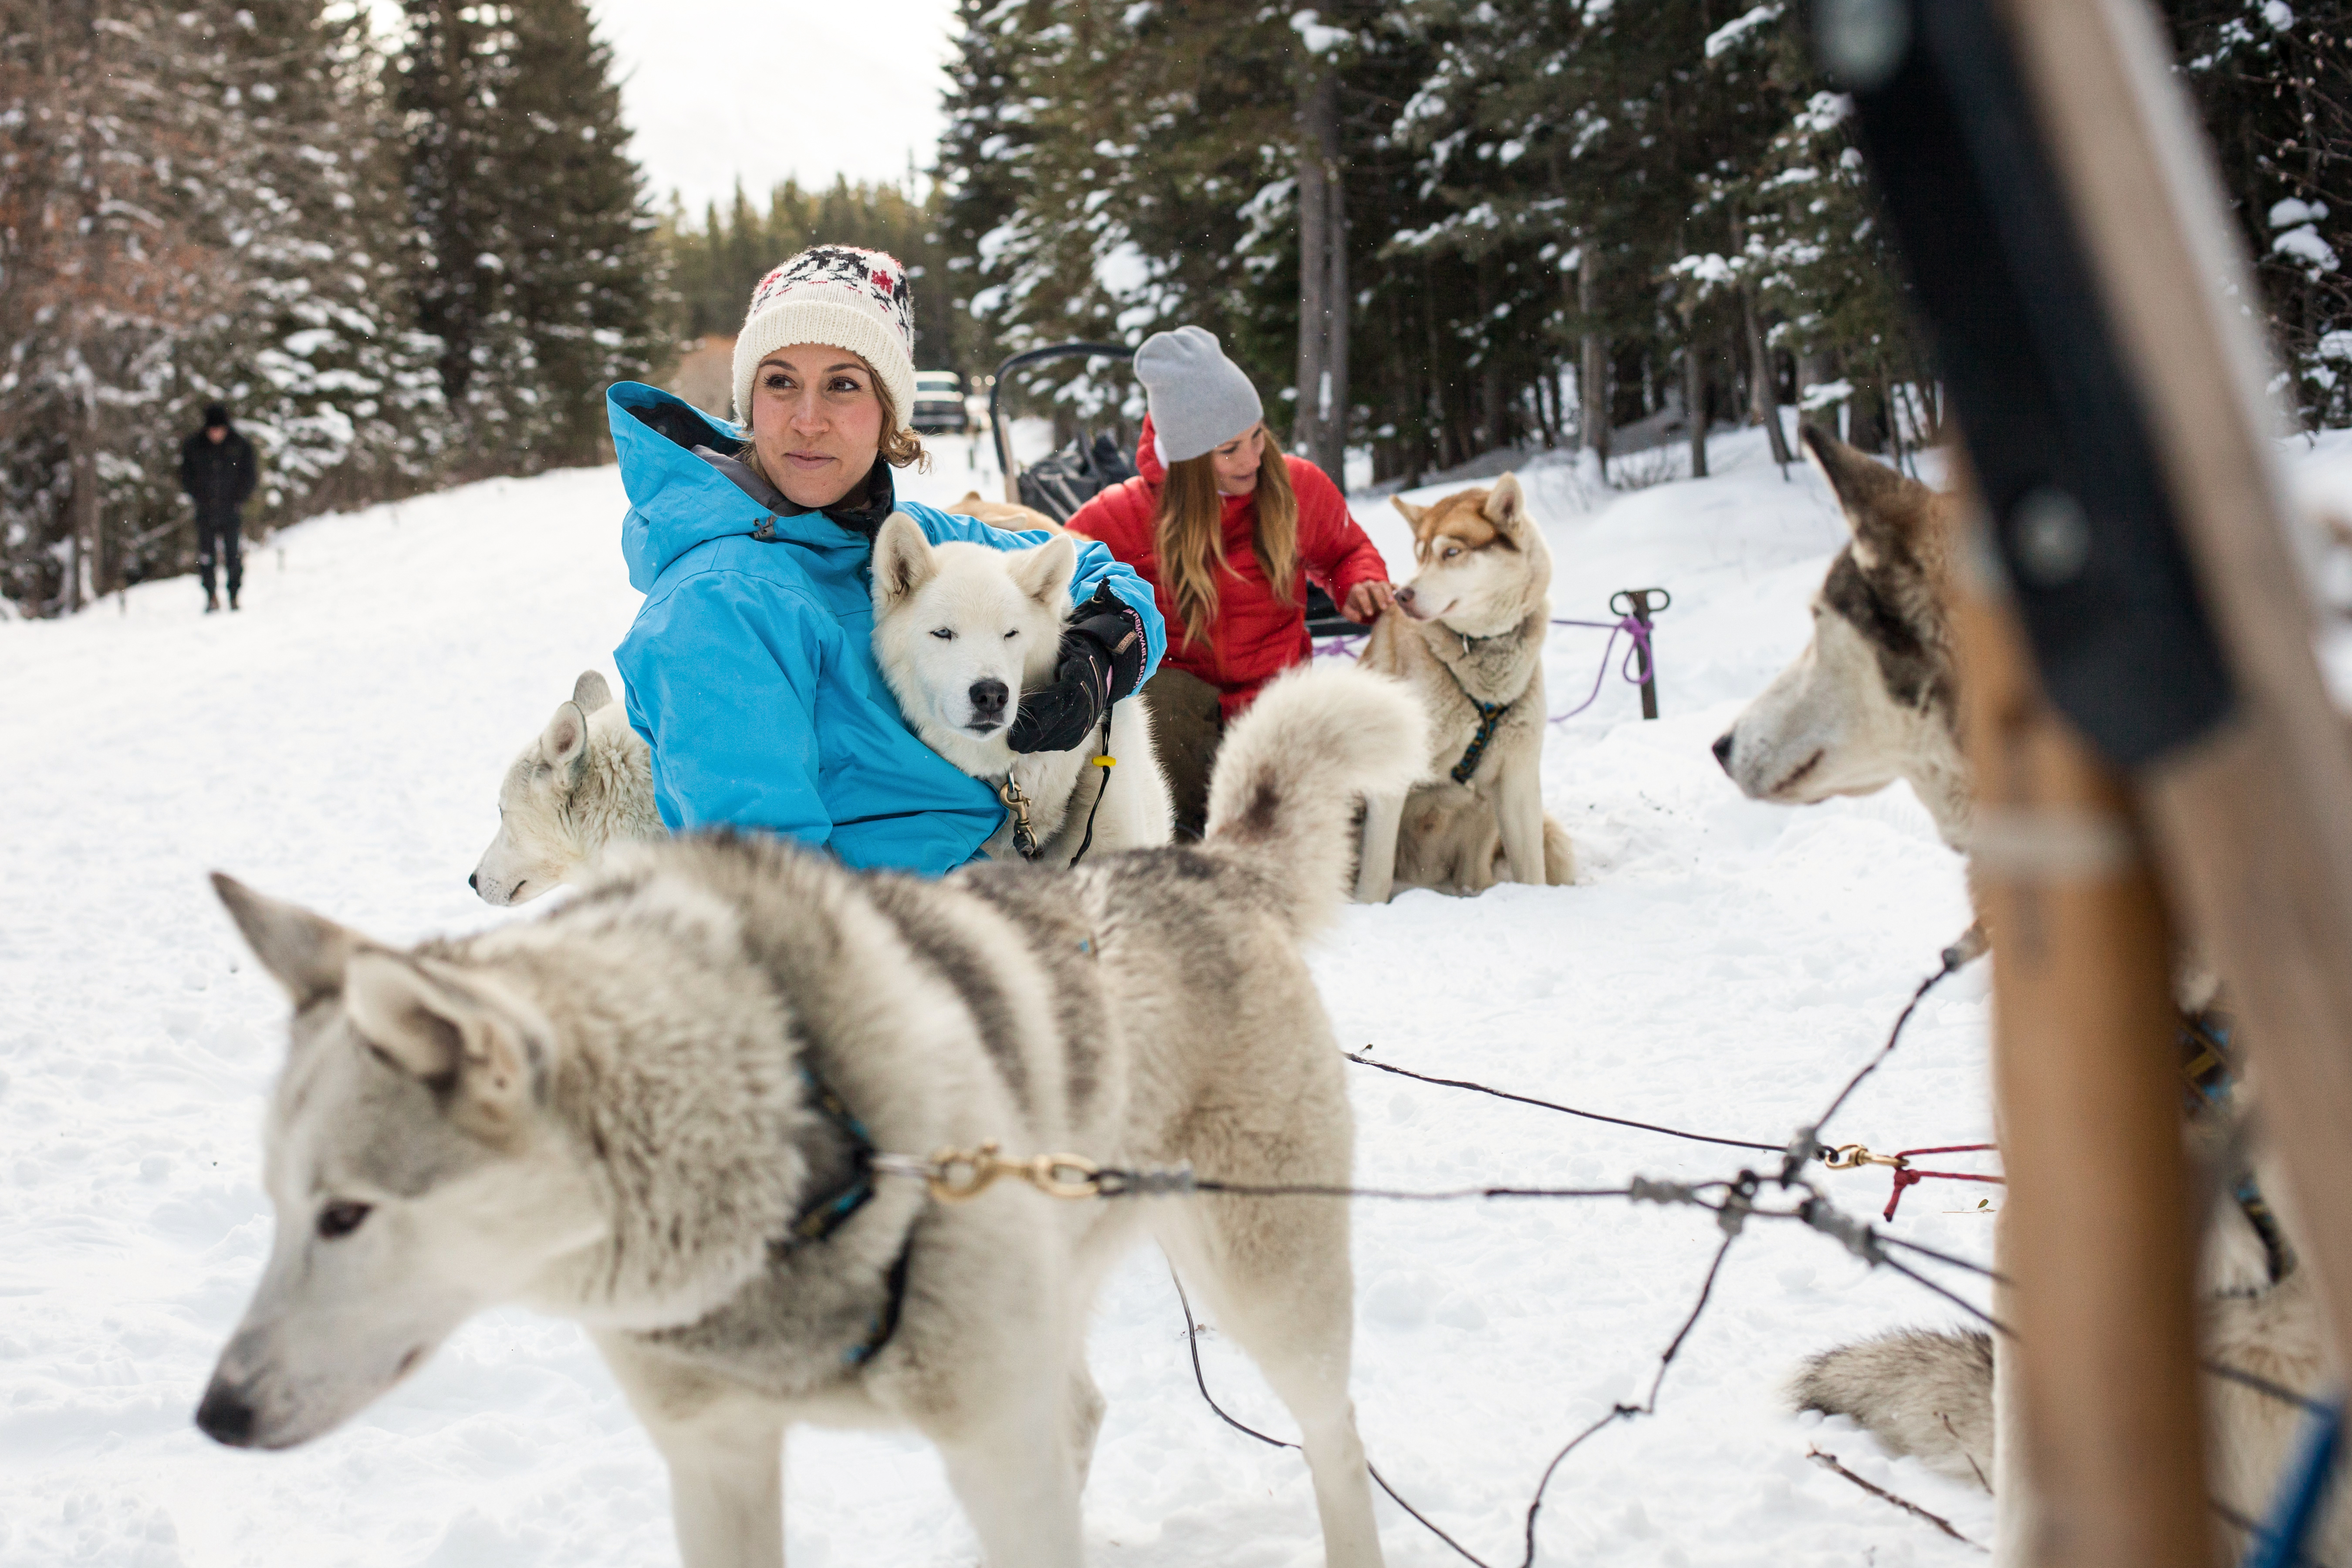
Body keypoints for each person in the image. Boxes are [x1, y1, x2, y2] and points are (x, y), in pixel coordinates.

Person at [611, 245, 1165, 875]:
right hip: (903, 939)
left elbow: (1103, 572)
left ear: (889, 415)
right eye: (780, 382)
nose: (808, 420)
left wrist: (1099, 650)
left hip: (999, 887)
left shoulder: (906, 540)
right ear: (751, 405)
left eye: (843, 385)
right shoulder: (719, 606)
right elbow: (772, 895)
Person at [1064, 325, 1392, 839]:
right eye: (1230, 448)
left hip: (1278, 707)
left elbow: (1346, 551)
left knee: (1340, 833)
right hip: (1185, 723)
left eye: (1258, 435)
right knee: (1157, 702)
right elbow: (1057, 564)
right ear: (1190, 459)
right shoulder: (1125, 515)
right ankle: (1177, 827)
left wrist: (1361, 582)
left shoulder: (1296, 485)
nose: (1253, 458)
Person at [179, 403, 256, 612]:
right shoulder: (194, 446)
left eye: (219, 430)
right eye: (212, 430)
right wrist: (199, 497)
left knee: (234, 554)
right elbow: (186, 475)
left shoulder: (240, 445)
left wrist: (239, 498)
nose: (216, 434)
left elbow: (250, 476)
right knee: (206, 556)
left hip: (231, 509)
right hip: (205, 510)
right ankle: (211, 595)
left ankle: (234, 594)